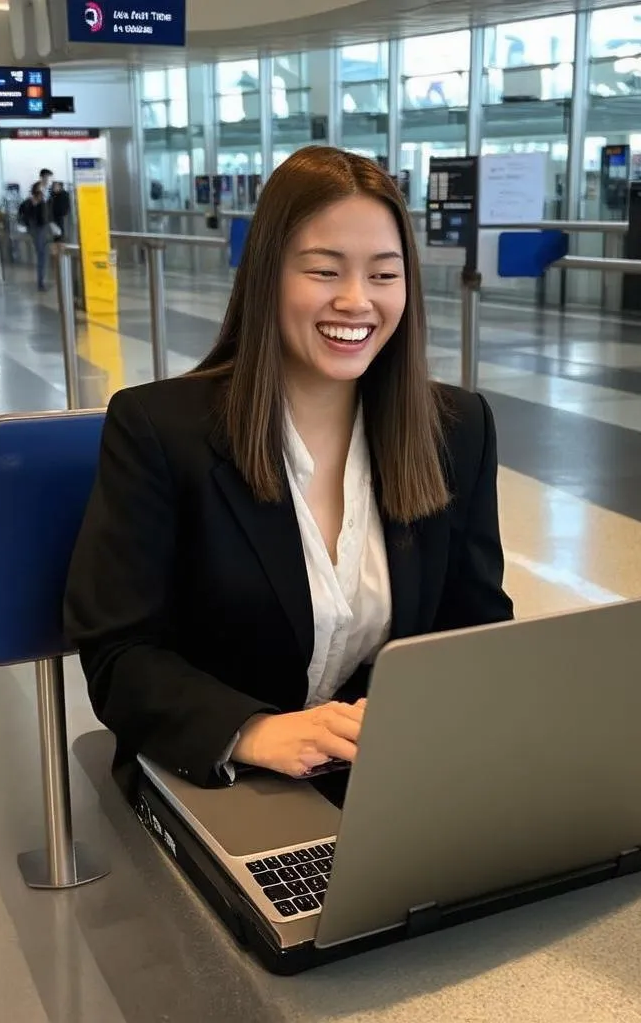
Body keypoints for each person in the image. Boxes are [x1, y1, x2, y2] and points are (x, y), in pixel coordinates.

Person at [64, 146, 514, 798]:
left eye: (385, 276)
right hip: (219, 773)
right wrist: (250, 731)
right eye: (325, 271)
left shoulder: (456, 429)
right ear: (268, 274)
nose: (357, 302)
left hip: (383, 771)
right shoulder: (162, 430)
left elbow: (473, 630)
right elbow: (120, 656)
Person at [18, 182, 51, 291]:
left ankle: (41, 281)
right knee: (42, 256)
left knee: (42, 256)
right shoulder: (34, 203)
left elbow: (21, 214)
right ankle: (41, 283)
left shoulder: (31, 202)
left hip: (38, 230)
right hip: (38, 230)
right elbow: (43, 218)